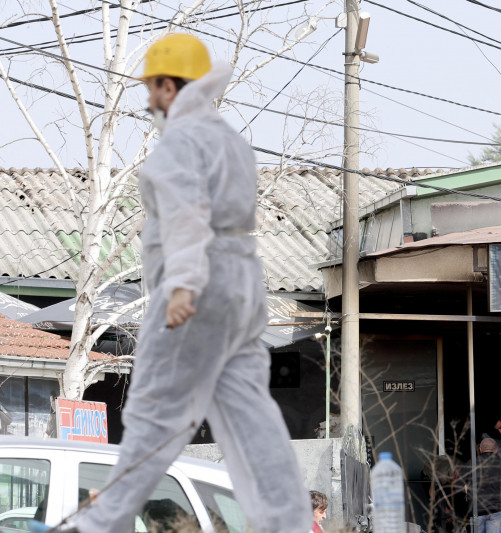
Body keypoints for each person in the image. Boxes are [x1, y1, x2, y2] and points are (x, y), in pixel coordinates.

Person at [31, 33, 312, 533]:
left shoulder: (181, 142)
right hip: (242, 283)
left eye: (151, 88)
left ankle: (101, 524)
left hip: (197, 283)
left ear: (167, 85)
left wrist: (182, 286)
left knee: (154, 411)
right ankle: (287, 523)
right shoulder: (227, 138)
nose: (147, 99)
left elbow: (187, 215)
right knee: (252, 419)